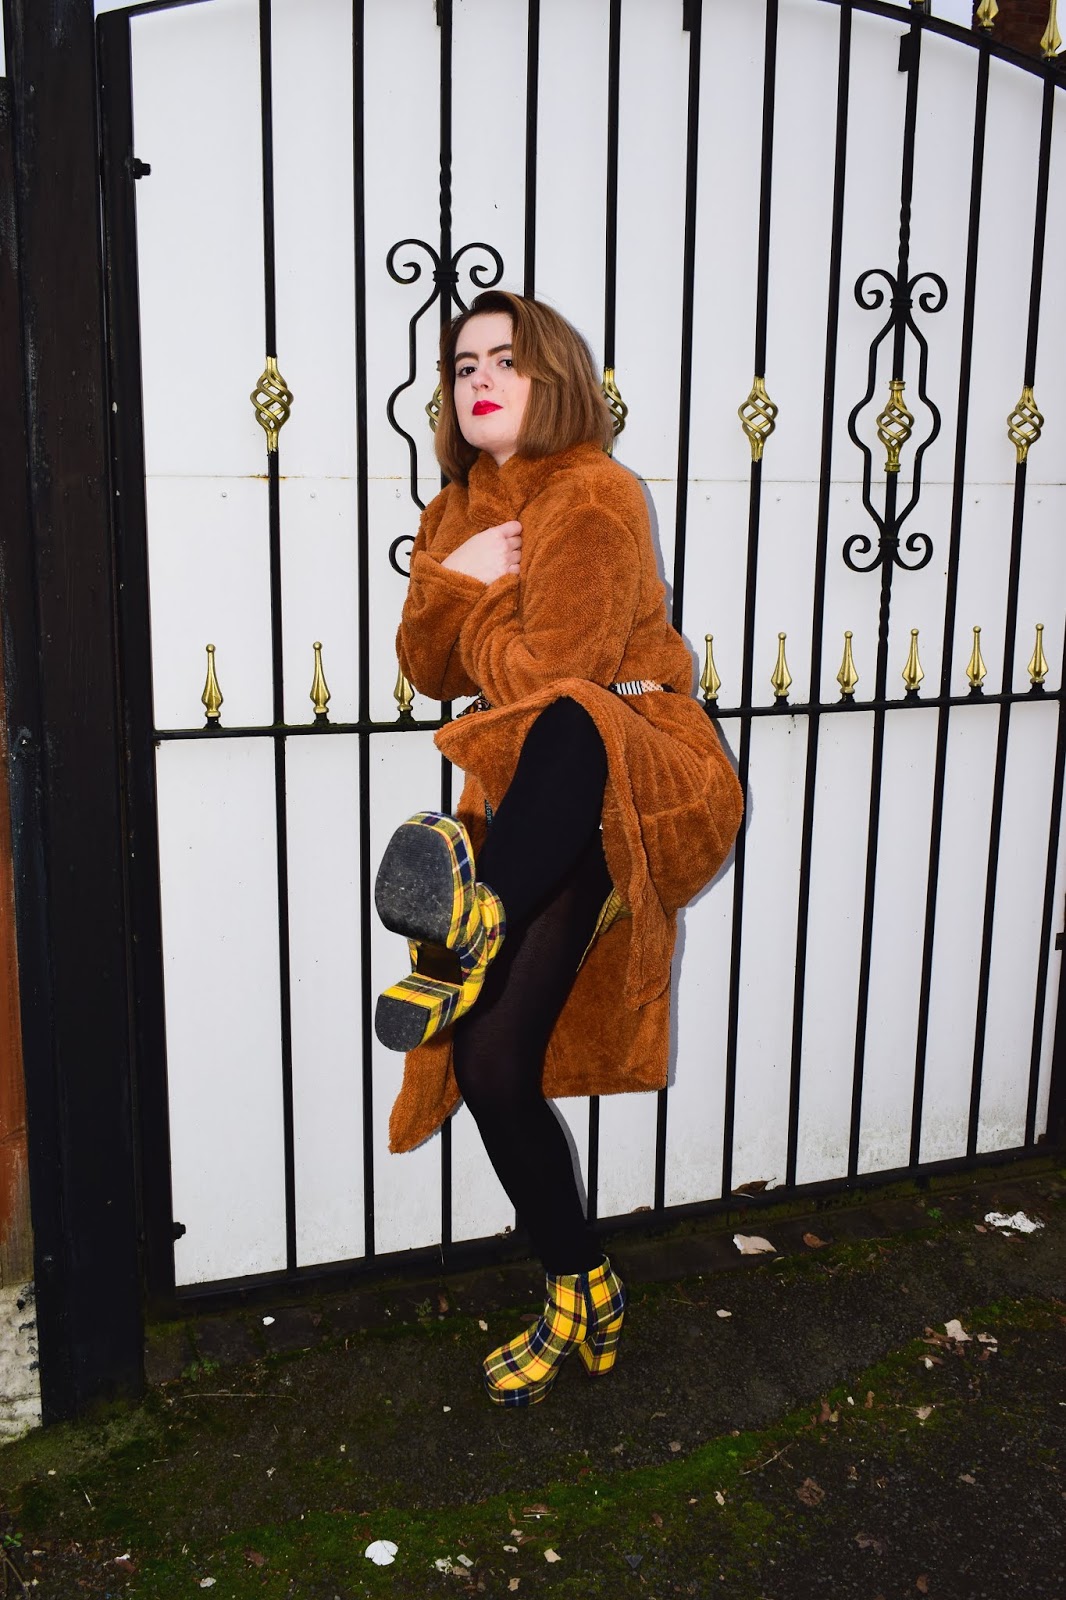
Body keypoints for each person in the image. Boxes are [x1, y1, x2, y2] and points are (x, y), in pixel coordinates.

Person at [374, 290, 743, 1407]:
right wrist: (459, 569)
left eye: (506, 359)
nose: (480, 378)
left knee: (575, 713)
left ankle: (468, 922)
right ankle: (580, 1285)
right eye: (462, 364)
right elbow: (424, 667)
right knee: (490, 1064)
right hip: (543, 809)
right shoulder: (454, 510)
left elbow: (556, 680)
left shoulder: (594, 490)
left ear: (554, 378)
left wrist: (477, 594)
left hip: (641, 766)